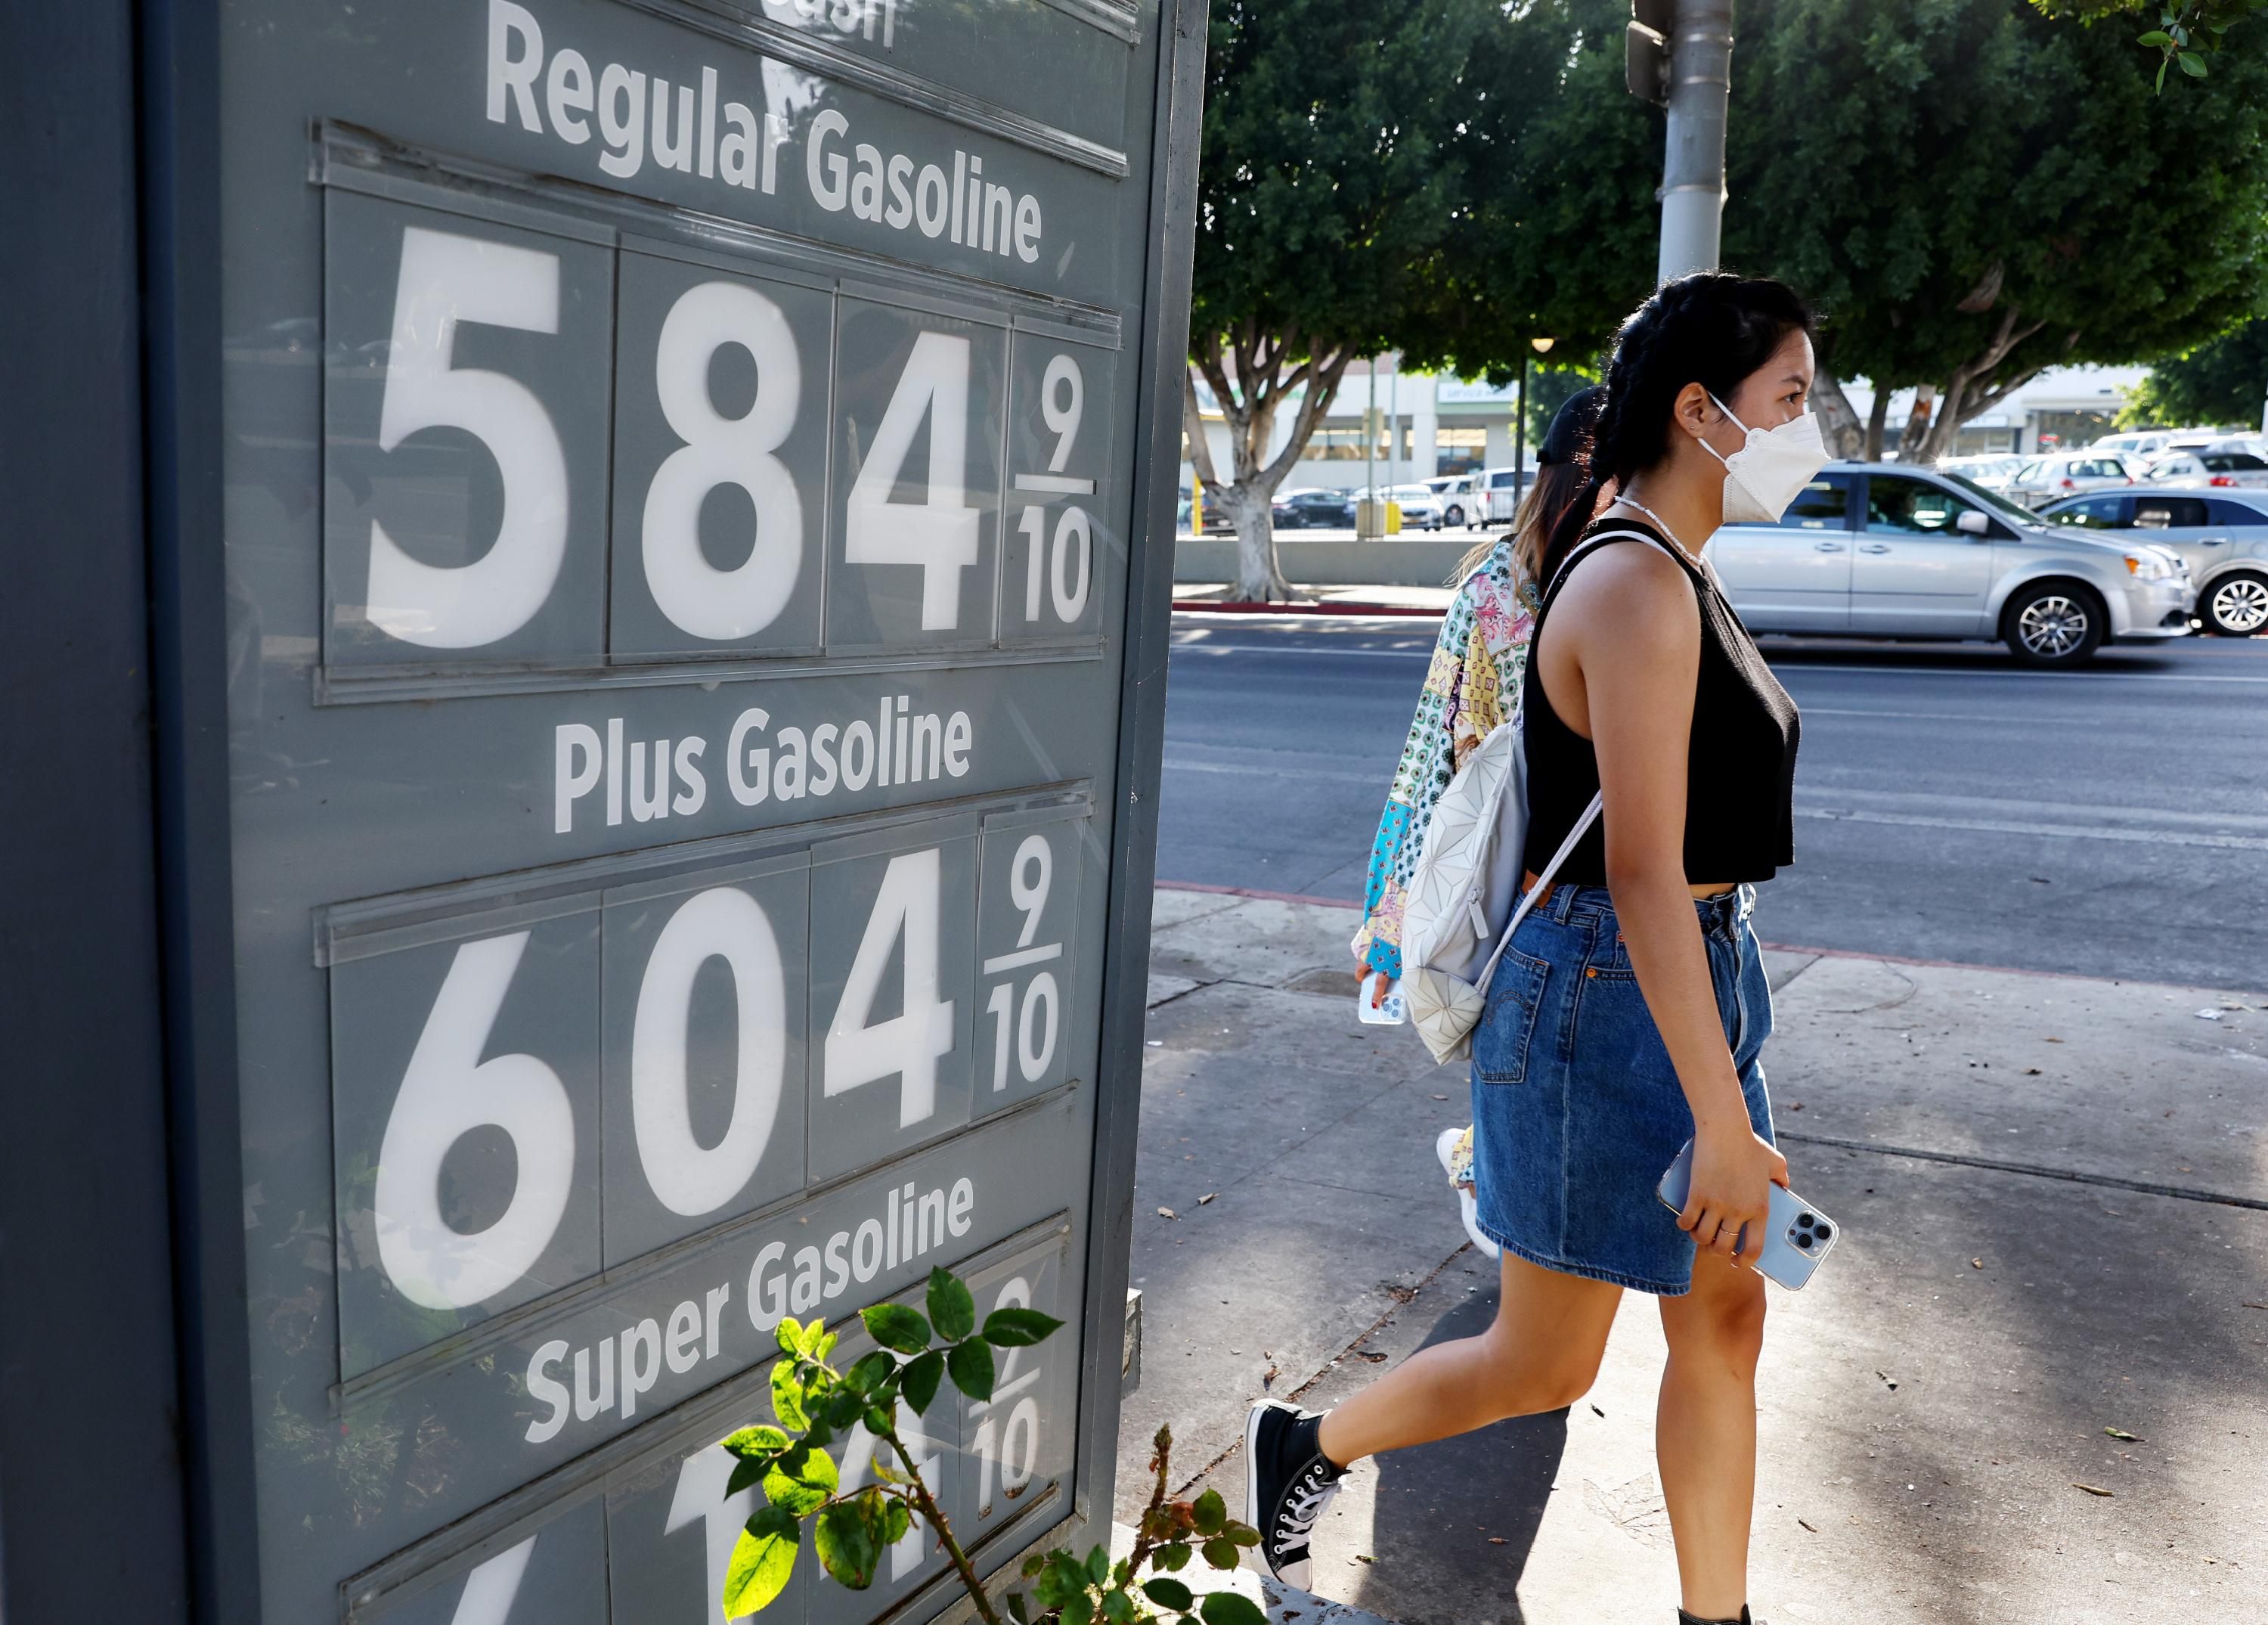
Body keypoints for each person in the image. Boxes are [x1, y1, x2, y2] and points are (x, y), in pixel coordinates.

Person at [1253, 271, 1820, 1625]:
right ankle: (1308, 1443)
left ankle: (1715, 1614)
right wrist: (1721, 1110)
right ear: (1703, 410)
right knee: (1545, 1360)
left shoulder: (1678, 565)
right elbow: (1636, 872)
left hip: (1694, 967)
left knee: (1724, 1319)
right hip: (1606, 991)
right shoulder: (1631, 581)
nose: (1815, 430)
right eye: (1793, 399)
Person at [1349, 387, 1609, 1259]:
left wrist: (1395, 916)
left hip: (1535, 859)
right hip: (1523, 861)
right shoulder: (1516, 584)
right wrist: (1393, 923)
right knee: (1525, 1041)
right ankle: (1479, 1165)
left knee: (1536, 1043)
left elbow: (1429, 751)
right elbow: (1434, 747)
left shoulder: (1518, 578)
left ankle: (1483, 1165)